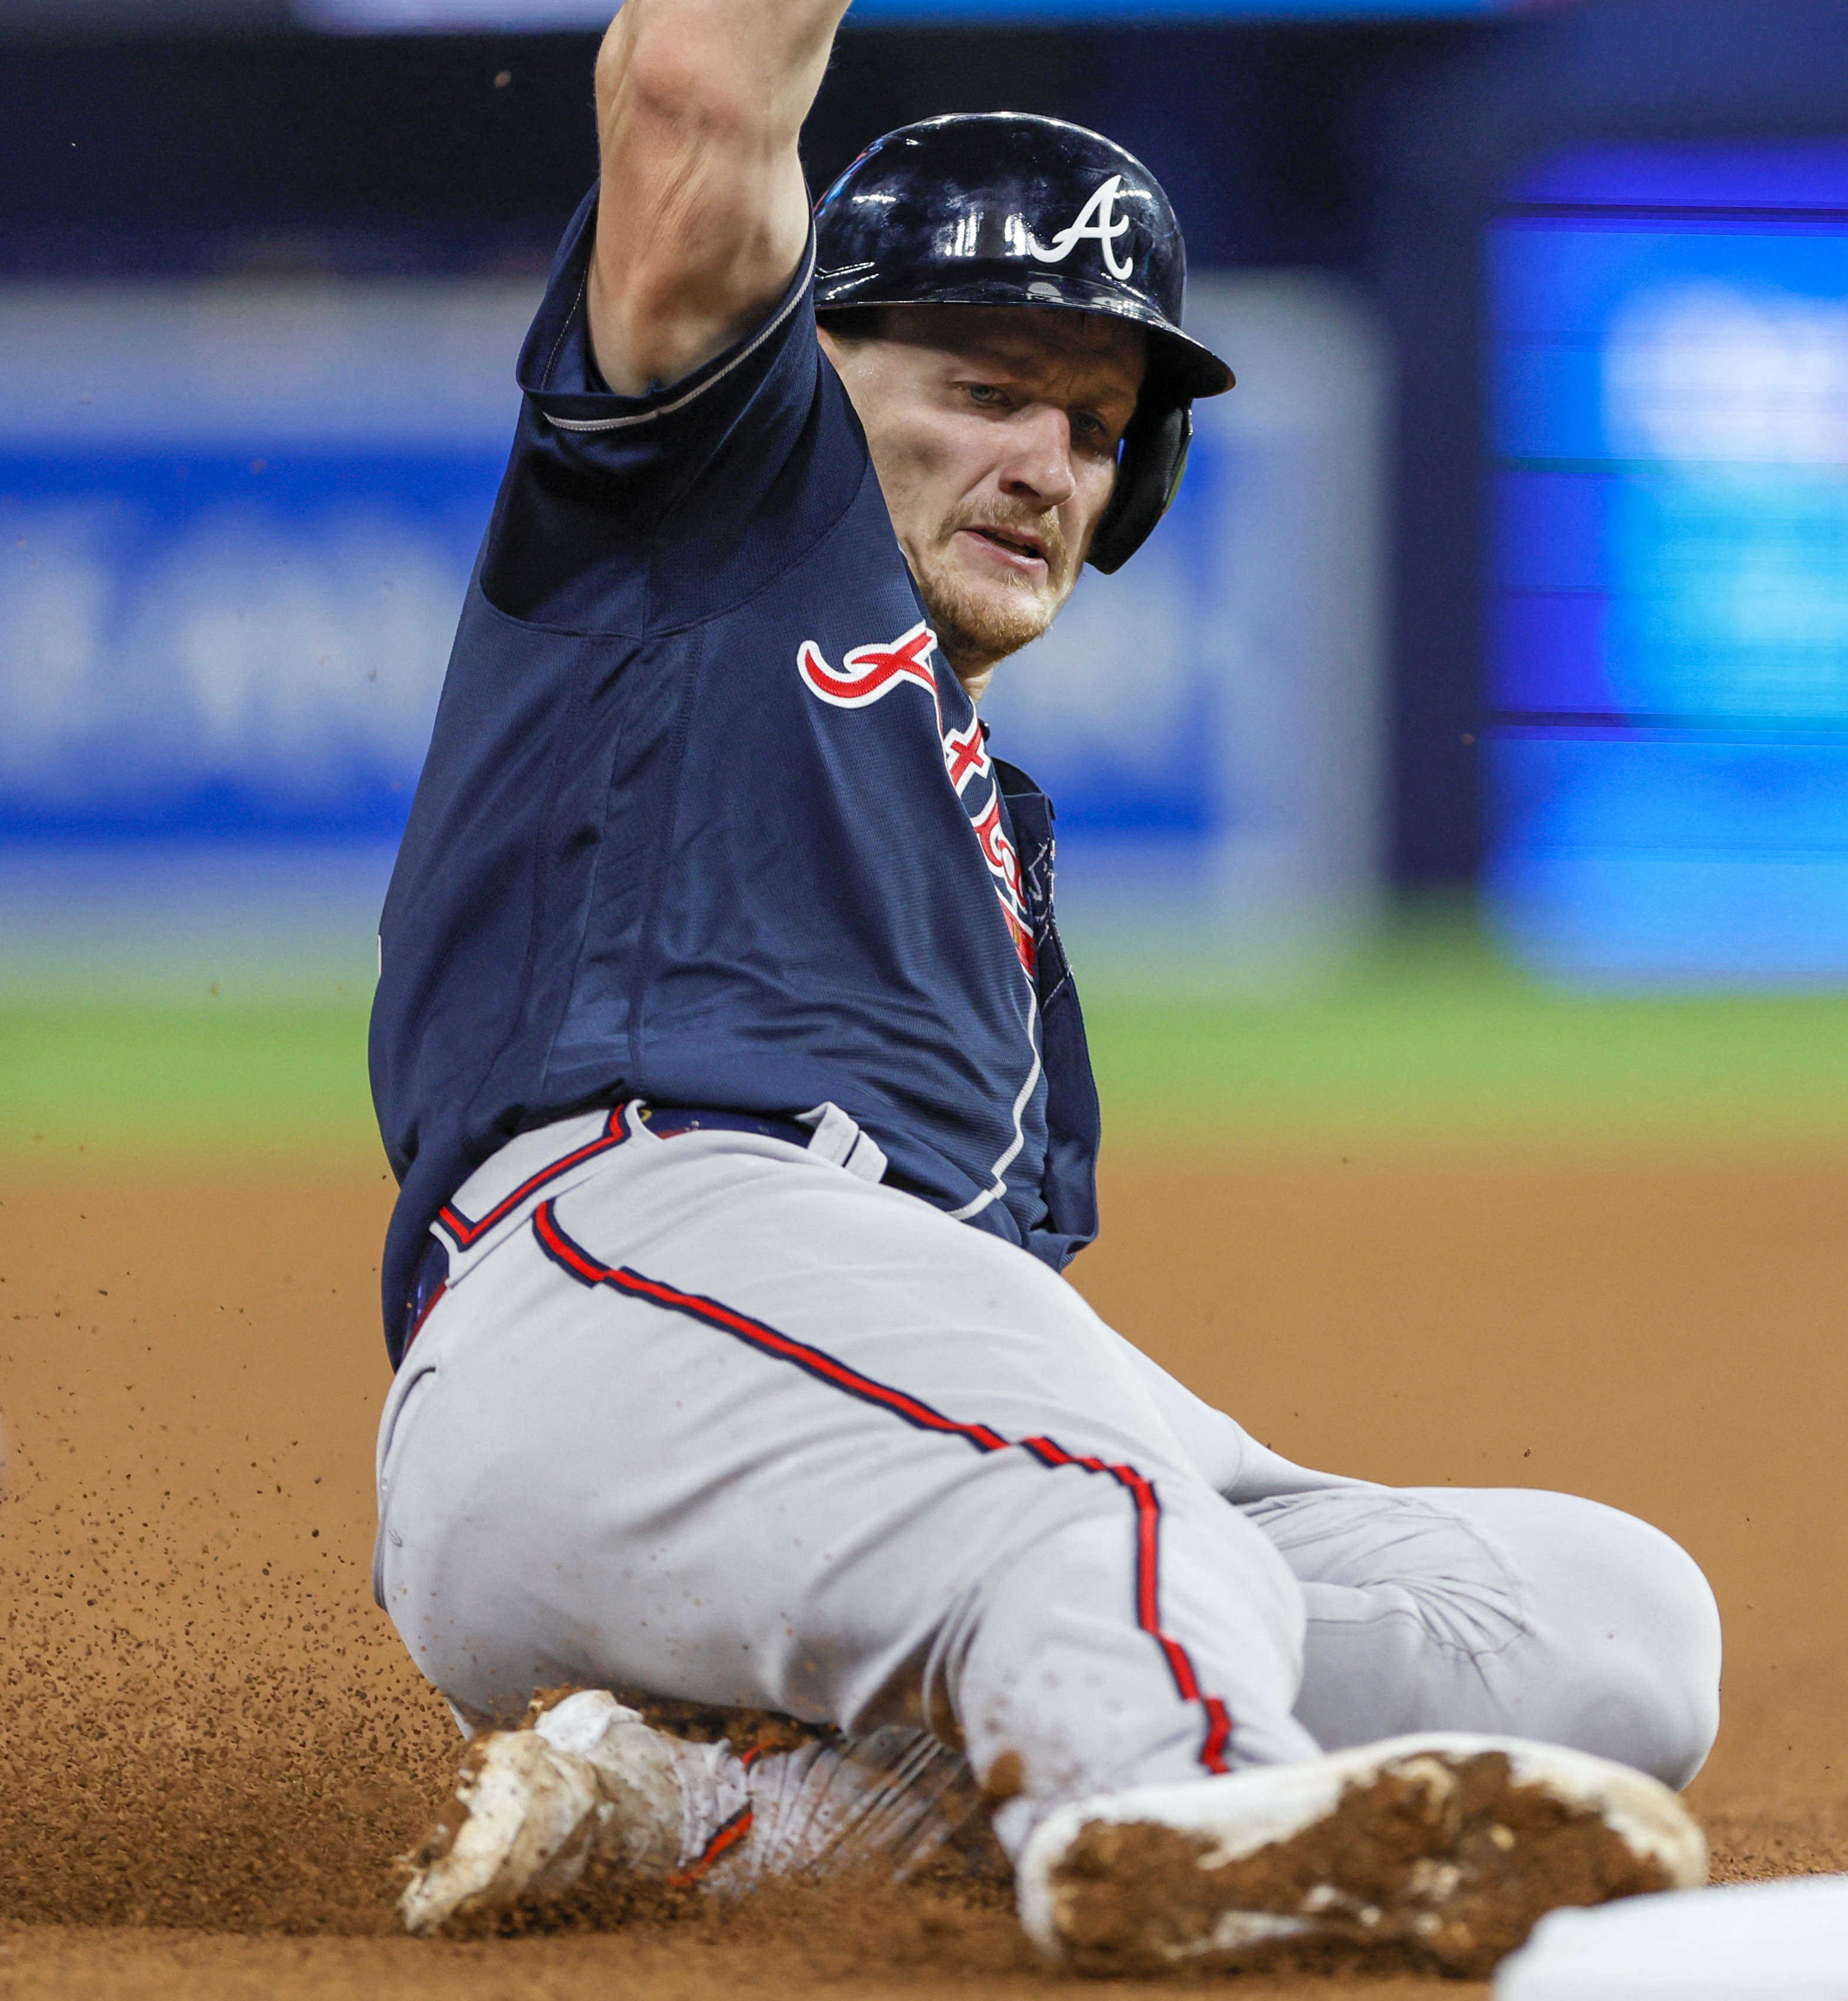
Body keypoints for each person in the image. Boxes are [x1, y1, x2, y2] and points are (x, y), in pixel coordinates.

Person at [364, 0, 1718, 1973]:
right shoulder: (710, 515)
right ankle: (1172, 1833)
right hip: (614, 1301)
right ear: (803, 370)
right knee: (1094, 1512)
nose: (1048, 465)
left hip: (854, 1391)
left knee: (1599, 1620)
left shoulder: (991, 857)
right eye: (991, 388)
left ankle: (729, 1821)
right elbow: (690, 84)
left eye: (1093, 430)